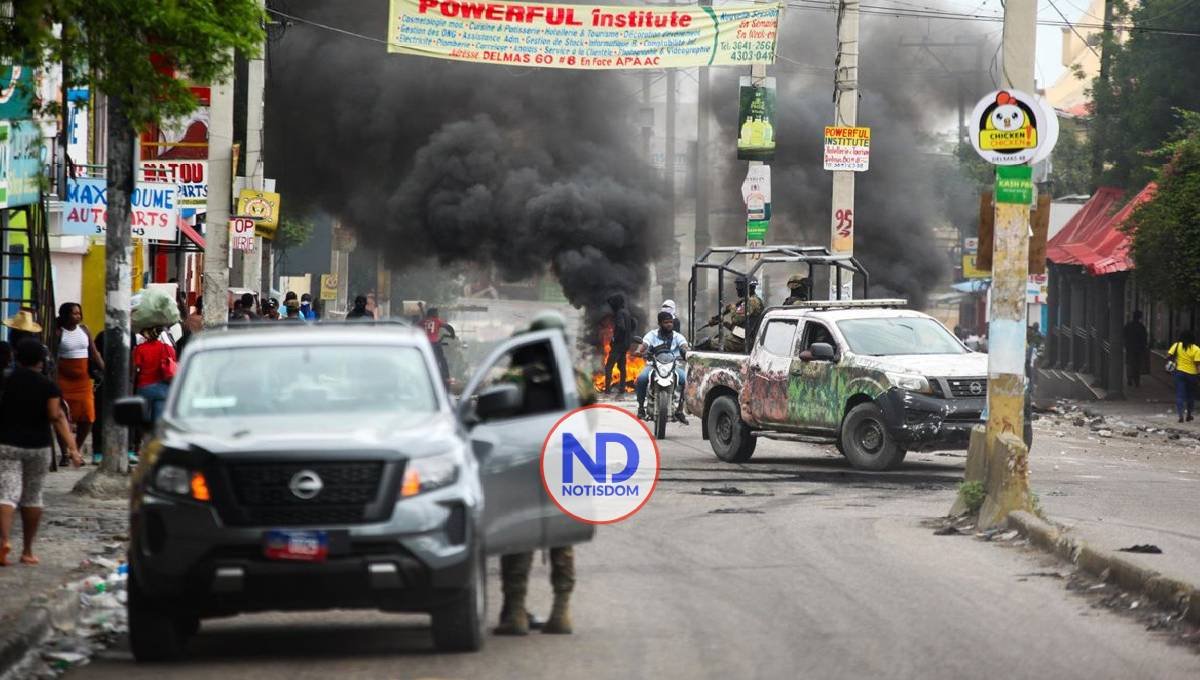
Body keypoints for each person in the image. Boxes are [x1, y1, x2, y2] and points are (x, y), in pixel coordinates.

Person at [495, 311, 589, 637]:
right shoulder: (574, 379)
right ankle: (561, 613)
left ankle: (516, 613)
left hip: (522, 466)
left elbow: (493, 416)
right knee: (561, 540)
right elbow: (591, 418)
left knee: (518, 538)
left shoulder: (515, 377)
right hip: (563, 467)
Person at [0, 339, 82, 566]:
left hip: (7, 444)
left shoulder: (6, 381)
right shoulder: (49, 386)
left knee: (6, 493)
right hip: (38, 447)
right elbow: (56, 417)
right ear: (41, 361)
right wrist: (73, 450)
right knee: (33, 496)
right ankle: (27, 550)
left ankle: (3, 541)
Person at [52, 303, 104, 457]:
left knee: (88, 417)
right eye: (74, 313)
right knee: (62, 418)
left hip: (83, 382)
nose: (78, 316)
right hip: (63, 381)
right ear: (65, 315)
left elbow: (94, 353)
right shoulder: (58, 333)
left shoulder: (84, 330)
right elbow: (54, 357)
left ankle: (75, 449)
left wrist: (105, 370)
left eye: (79, 313)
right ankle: (63, 452)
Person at [634, 311, 690, 423]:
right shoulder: (652, 335)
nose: (669, 324)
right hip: (654, 365)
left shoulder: (677, 336)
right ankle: (641, 408)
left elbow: (684, 345)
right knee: (641, 379)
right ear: (660, 323)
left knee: (686, 381)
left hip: (673, 366)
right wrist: (639, 351)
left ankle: (679, 409)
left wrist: (687, 351)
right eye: (666, 322)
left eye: (671, 322)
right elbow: (644, 344)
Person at [708, 275, 764, 353]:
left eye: (740, 285)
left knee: (707, 343)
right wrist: (722, 322)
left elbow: (736, 320)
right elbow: (740, 330)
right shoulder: (747, 301)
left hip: (742, 342)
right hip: (741, 339)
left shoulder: (751, 302)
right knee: (716, 338)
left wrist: (732, 308)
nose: (737, 288)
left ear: (748, 287)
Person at [132, 326, 177, 422]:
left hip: (144, 389)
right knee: (158, 423)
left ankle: (144, 436)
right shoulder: (167, 348)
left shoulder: (140, 349)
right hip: (163, 390)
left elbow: (134, 369)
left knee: (143, 423)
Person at [1167, 330, 1200, 423]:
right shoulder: (1196, 349)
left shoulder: (1177, 345)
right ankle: (1189, 415)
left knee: (1179, 395)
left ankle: (1180, 416)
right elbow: (1198, 364)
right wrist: (1198, 375)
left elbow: (1168, 356)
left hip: (1179, 373)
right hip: (1192, 375)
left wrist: (1175, 359)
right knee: (1190, 396)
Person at [603, 294, 633, 393]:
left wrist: (614, 338)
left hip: (618, 345)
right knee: (622, 367)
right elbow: (634, 323)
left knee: (609, 367)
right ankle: (622, 389)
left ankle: (607, 390)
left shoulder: (620, 313)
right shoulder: (626, 312)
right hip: (625, 344)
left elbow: (621, 327)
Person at [421, 307, 456, 386]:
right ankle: (447, 376)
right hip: (434, 343)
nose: (437, 315)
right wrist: (452, 335)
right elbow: (448, 327)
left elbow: (416, 326)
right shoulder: (436, 320)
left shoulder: (423, 321)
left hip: (425, 344)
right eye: (436, 313)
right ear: (433, 314)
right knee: (442, 359)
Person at [1123, 311, 1149, 388]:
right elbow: (1144, 338)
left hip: (1129, 348)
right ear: (1139, 317)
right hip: (1139, 349)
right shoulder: (1141, 327)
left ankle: (1129, 379)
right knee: (1137, 364)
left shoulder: (1128, 326)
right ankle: (1136, 380)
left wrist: (1125, 344)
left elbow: (1123, 335)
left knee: (1129, 363)